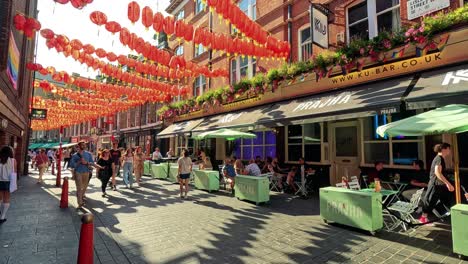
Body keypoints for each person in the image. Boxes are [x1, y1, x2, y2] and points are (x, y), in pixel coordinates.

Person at [420, 143, 455, 224]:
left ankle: (451, 214)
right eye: (449, 149)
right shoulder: (439, 159)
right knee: (430, 201)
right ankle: (423, 218)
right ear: (444, 149)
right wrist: (448, 183)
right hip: (435, 184)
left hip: (439, 185)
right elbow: (437, 172)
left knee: (443, 200)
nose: (449, 151)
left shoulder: (440, 158)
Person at [69, 141, 102, 209]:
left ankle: (80, 195)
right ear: (79, 146)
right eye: (82, 145)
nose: (84, 146)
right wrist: (79, 162)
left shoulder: (88, 154)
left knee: (84, 187)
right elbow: (72, 165)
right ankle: (80, 202)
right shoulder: (75, 155)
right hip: (78, 172)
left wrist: (88, 163)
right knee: (79, 187)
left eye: (84, 145)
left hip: (86, 172)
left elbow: (92, 163)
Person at [0, 146, 14, 224]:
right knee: (6, 199)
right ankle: (2, 216)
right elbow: (14, 174)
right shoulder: (13, 161)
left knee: (0, 198)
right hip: (8, 182)